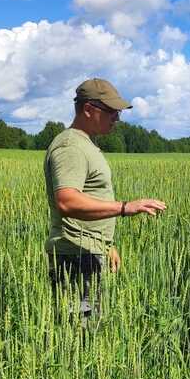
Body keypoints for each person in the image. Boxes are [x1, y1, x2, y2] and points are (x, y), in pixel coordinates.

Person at [44, 77, 167, 323]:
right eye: (111, 111)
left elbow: (88, 196)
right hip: (75, 257)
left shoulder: (85, 144)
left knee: (89, 328)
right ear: (89, 109)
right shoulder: (71, 148)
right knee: (78, 334)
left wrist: (105, 244)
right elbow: (67, 201)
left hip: (88, 250)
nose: (117, 119)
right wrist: (124, 207)